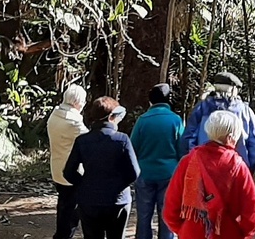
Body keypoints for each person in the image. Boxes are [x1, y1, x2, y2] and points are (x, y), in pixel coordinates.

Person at [164, 110, 255, 239]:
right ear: (230, 137)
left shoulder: (188, 161)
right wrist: (239, 233)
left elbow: (171, 208)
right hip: (227, 233)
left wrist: (184, 230)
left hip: (191, 233)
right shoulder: (238, 166)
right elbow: (251, 213)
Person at [62, 97, 141, 239]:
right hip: (118, 201)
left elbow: (68, 172)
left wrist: (85, 184)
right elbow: (134, 172)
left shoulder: (82, 141)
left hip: (89, 200)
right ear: (112, 117)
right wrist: (119, 185)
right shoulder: (122, 139)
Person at [129, 83, 183, 239]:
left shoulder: (142, 120)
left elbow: (132, 148)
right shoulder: (176, 120)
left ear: (150, 100)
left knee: (144, 216)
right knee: (167, 216)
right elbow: (182, 150)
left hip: (144, 173)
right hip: (169, 174)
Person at [181, 72, 255, 170]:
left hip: (203, 168)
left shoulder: (201, 108)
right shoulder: (245, 111)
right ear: (234, 89)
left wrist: (192, 165)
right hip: (235, 169)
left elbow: (187, 140)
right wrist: (247, 168)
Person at [47, 84, 88, 239]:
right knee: (71, 214)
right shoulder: (74, 122)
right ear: (77, 103)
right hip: (72, 173)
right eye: (83, 101)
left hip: (57, 167)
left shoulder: (54, 115)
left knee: (63, 205)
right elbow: (89, 140)